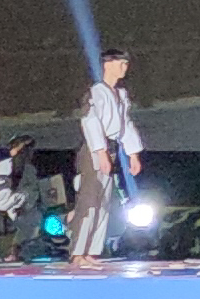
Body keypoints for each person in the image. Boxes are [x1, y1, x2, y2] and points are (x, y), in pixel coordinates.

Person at [65, 48, 146, 266]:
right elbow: (90, 121)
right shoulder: (96, 91)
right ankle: (78, 251)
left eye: (126, 64)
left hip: (112, 148)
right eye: (120, 63)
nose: (124, 68)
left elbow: (126, 124)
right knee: (90, 201)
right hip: (94, 150)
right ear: (108, 65)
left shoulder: (120, 94)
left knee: (103, 203)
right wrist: (100, 152)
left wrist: (133, 154)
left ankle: (92, 250)